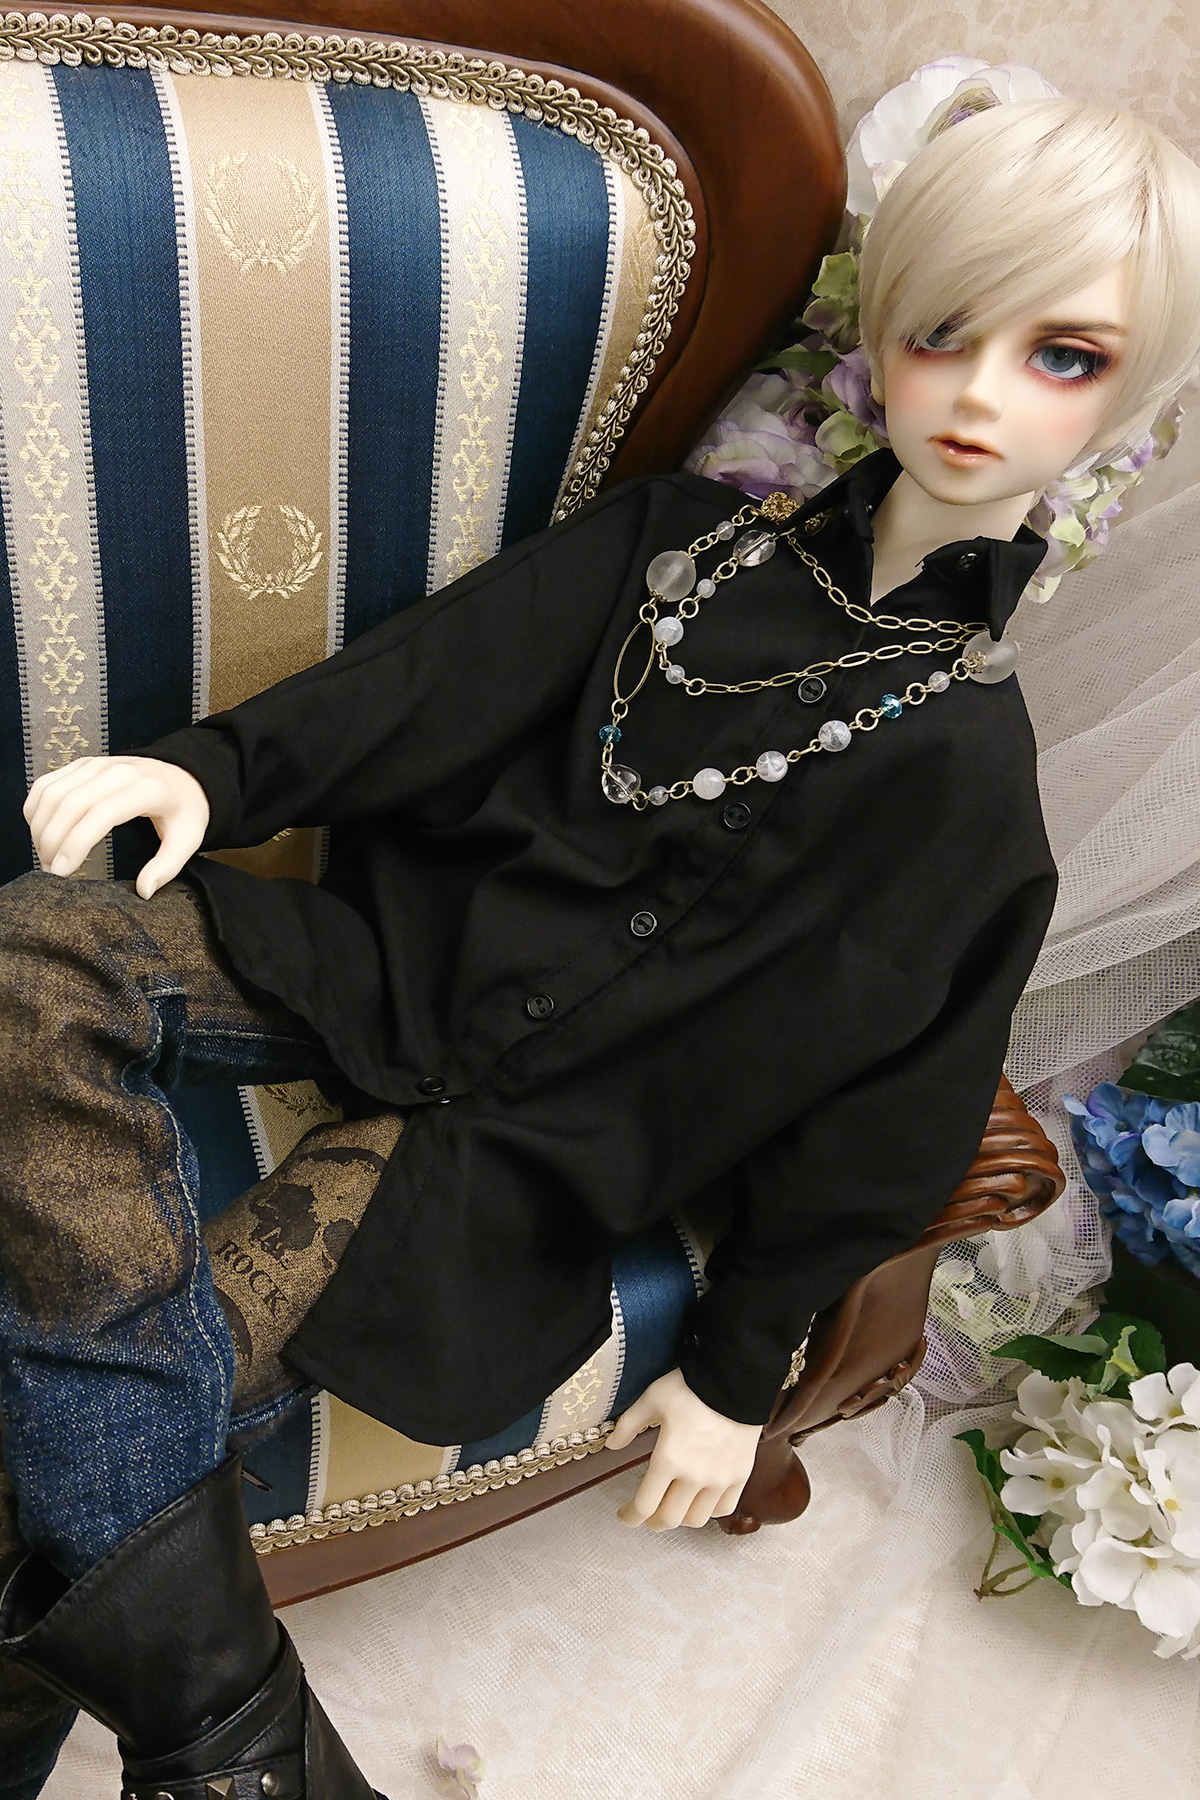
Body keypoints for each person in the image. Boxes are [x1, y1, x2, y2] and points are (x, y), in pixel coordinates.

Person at [3, 96, 1200, 1800]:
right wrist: (208, 771)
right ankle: (245, 1734)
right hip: (374, 972)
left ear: (1131, 407)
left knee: (87, 1417)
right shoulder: (673, 549)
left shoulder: (967, 780)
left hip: (514, 1151)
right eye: (946, 331)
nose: (984, 394)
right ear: (882, 331)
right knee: (37, 943)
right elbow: (428, 681)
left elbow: (895, 1115)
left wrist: (736, 1369)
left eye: (1065, 358)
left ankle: (204, 1734)